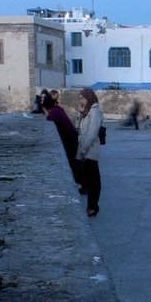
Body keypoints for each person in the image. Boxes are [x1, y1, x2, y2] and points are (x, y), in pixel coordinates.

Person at [43, 96, 83, 193]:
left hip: (70, 139)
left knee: (73, 162)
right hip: (72, 137)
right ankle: (83, 185)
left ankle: (83, 185)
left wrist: (45, 112)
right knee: (75, 162)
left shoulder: (54, 112)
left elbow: (48, 120)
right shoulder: (58, 109)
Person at [76, 88, 104, 217]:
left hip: (90, 151)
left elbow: (92, 133)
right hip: (83, 150)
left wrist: (83, 150)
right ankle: (91, 206)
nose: (81, 101)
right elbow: (77, 129)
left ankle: (93, 207)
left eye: (83, 98)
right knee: (88, 179)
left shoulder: (95, 112)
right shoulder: (86, 112)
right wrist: (80, 114)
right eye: (80, 99)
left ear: (89, 97)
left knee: (94, 181)